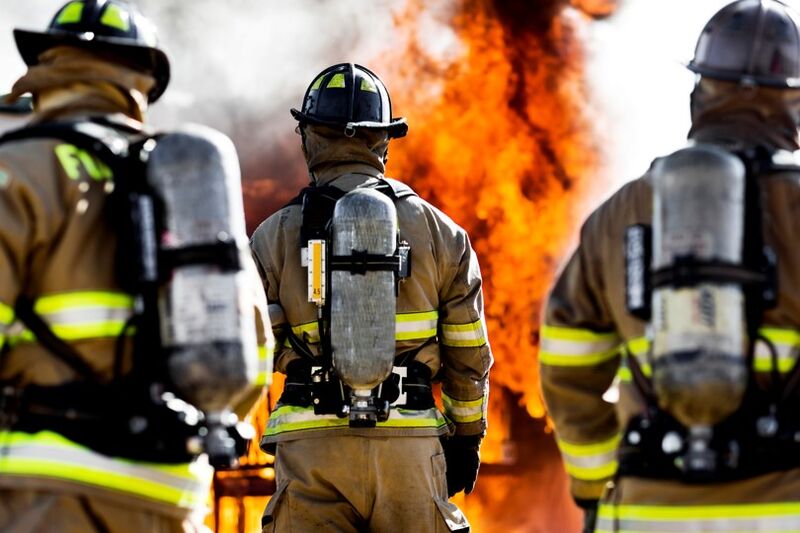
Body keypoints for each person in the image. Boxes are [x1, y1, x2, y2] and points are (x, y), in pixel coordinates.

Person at [0, 1, 271, 531]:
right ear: (142, 81)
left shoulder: (17, 168)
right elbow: (252, 358)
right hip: (171, 498)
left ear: (47, 69)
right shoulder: (186, 182)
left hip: (45, 495)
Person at [540, 0, 800, 531]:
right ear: (790, 100)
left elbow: (567, 366)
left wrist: (595, 485)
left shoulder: (619, 215)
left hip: (649, 511)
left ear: (700, 92)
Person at [251, 62, 492, 532]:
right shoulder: (443, 234)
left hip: (310, 453)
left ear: (309, 137)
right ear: (383, 139)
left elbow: (249, 350)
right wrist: (465, 439)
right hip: (410, 450)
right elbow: (468, 355)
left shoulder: (271, 237)